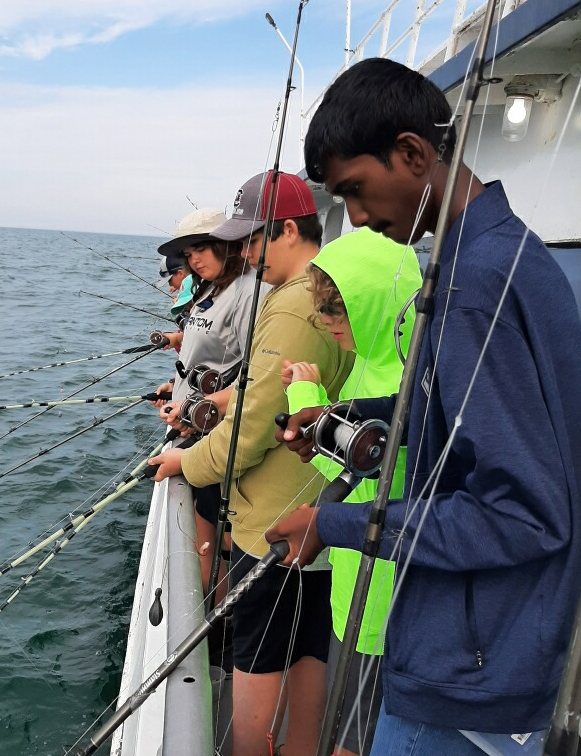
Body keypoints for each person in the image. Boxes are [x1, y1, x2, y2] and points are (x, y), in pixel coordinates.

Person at [267, 57, 581, 755]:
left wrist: (336, 522)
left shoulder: (473, 286)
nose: (355, 218)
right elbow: (450, 406)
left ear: (411, 153)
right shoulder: (498, 254)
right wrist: (336, 422)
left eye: (355, 191)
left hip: (470, 671)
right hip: (494, 649)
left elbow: (521, 513)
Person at [151, 170, 354, 756]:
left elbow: (254, 424)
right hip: (317, 515)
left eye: (252, 240)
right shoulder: (326, 290)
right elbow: (269, 394)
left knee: (259, 669)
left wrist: (186, 462)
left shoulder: (291, 306)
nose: (244, 254)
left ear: (289, 230)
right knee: (309, 651)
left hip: (272, 526)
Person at [282, 227, 421, 756]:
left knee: (356, 738)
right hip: (352, 584)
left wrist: (304, 393)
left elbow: (361, 463)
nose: (323, 321)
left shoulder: (406, 378)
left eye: (335, 310)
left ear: (371, 305)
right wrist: (315, 402)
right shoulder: (373, 362)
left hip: (382, 601)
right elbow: (353, 459)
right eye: (320, 309)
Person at [153, 207, 269, 602]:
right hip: (193, 427)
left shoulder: (248, 293)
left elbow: (253, 372)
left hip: (219, 436)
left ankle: (221, 621)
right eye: (189, 254)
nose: (194, 259)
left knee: (220, 538)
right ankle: (214, 612)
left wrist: (198, 408)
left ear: (227, 244)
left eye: (201, 247)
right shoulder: (210, 289)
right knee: (205, 535)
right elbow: (205, 357)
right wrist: (177, 393)